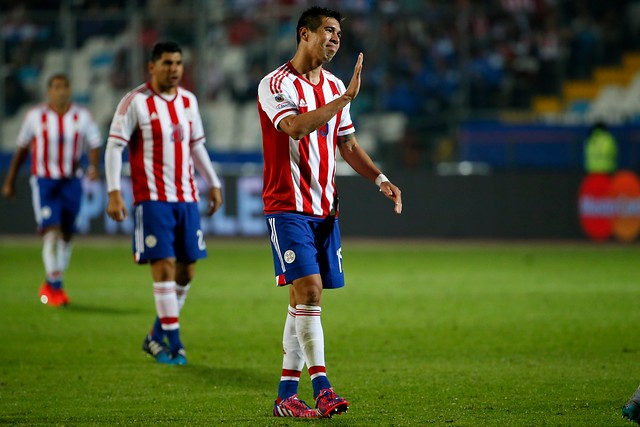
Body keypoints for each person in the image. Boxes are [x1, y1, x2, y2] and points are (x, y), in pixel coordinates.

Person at [257, 6, 402, 419]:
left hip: (325, 209)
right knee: (310, 292)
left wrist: (380, 179)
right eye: (328, 31)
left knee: (301, 300)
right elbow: (296, 128)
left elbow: (349, 145)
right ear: (305, 34)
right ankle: (322, 388)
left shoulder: (336, 85)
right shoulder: (275, 84)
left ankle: (286, 395)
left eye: (339, 33)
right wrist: (344, 99)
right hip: (287, 206)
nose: (335, 38)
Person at [104, 41, 223, 366]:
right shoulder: (135, 102)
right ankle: (174, 343)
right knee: (164, 267)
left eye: (178, 63)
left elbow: (197, 146)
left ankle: (155, 335)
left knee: (187, 272)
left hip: (186, 198)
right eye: (168, 63)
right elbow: (114, 147)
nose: (174, 69)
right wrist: (114, 191)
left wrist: (212, 181)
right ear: (152, 67)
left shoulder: (188, 101)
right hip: (152, 199)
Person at [1, 73, 102, 307]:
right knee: (51, 230)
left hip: (72, 182)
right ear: (49, 92)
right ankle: (56, 288)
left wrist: (94, 166)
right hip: (45, 181)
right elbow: (22, 149)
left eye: (65, 86)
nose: (61, 91)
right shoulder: (35, 116)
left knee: (67, 234)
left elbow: (94, 143)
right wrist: (10, 180)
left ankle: (52, 281)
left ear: (70, 90)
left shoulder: (82, 116)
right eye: (56, 87)